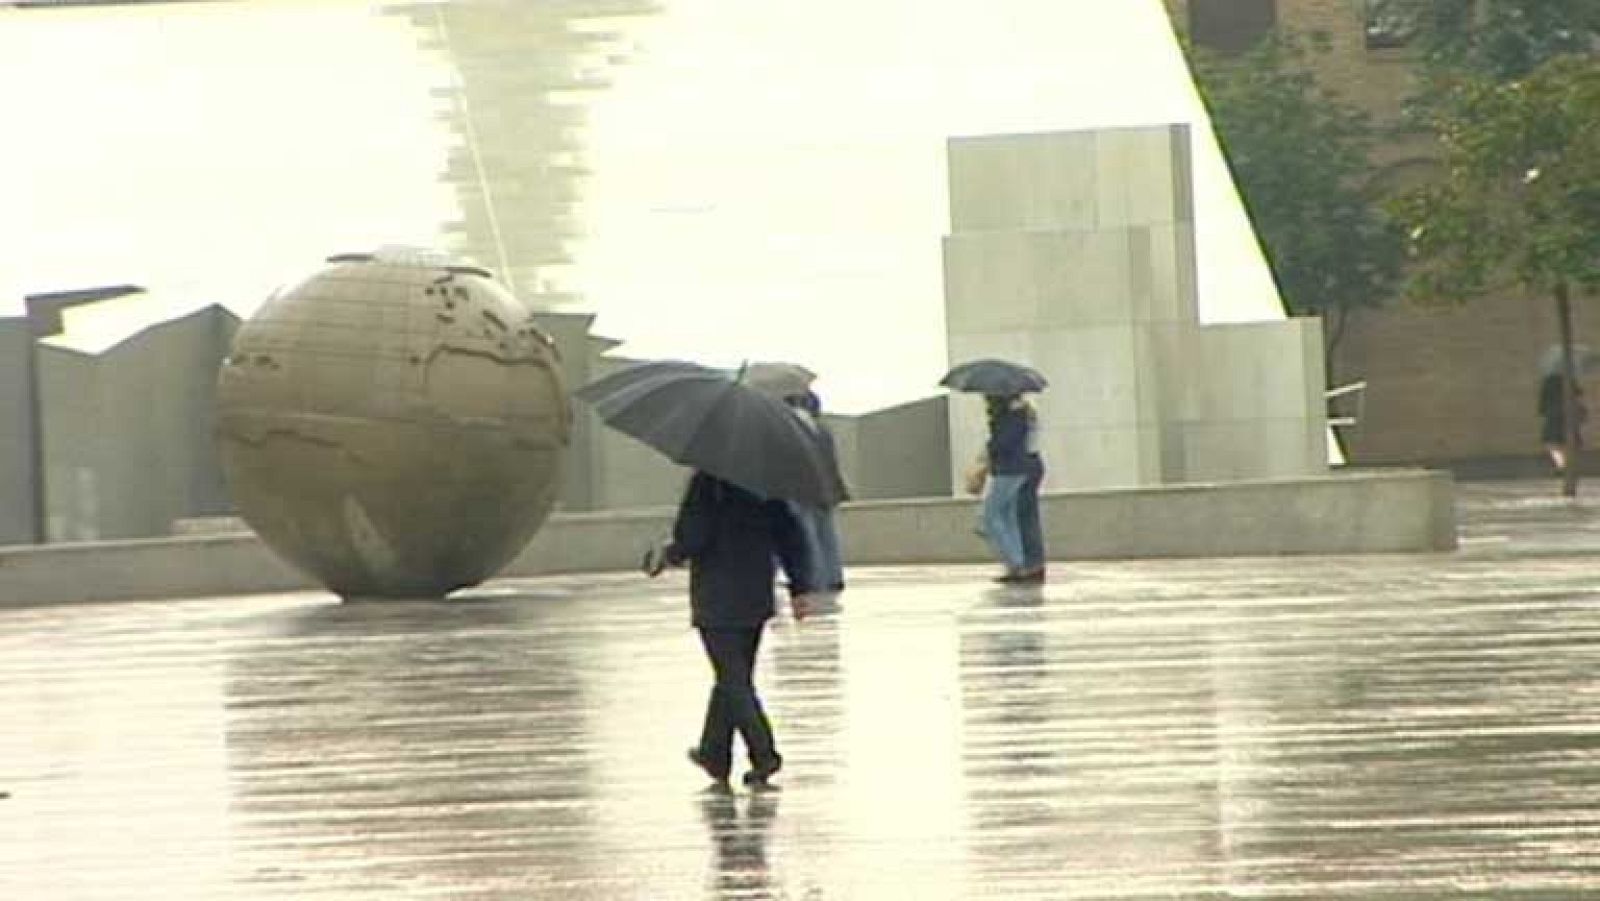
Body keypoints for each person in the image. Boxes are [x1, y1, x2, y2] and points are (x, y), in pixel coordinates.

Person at [655, 470, 813, 791]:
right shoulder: (765, 481)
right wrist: (800, 587)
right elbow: (790, 534)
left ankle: (764, 753)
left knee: (733, 679)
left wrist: (667, 554)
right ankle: (714, 752)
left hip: (716, 596)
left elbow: (693, 537)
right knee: (732, 678)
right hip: (754, 595)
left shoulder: (707, 482)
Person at [782, 390, 848, 612]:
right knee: (826, 534)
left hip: (800, 489)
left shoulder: (790, 428)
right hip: (825, 489)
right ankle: (831, 576)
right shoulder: (820, 428)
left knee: (804, 536)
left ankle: (814, 578)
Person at [980, 394, 1046, 584]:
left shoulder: (1013, 416)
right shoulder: (1017, 414)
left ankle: (1016, 562)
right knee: (1011, 516)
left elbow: (1005, 443)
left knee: (990, 516)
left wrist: (991, 446)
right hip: (1017, 468)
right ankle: (1021, 564)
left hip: (1011, 470)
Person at [1538, 371, 1586, 475]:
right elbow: (1579, 397)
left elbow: (1542, 404)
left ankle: (1562, 465)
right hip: (1569, 414)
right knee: (1571, 442)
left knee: (1552, 443)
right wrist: (1581, 413)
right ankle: (1567, 465)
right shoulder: (1569, 378)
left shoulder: (1549, 381)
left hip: (1553, 415)